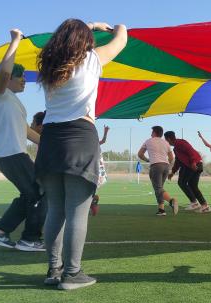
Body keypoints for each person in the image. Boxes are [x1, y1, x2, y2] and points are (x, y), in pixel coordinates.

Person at [35, 19, 127, 290]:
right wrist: (113, 26)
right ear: (85, 40)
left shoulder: (50, 66)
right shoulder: (91, 59)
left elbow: (62, 38)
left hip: (50, 140)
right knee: (77, 213)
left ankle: (54, 270)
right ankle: (72, 274)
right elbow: (121, 39)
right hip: (79, 137)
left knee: (55, 210)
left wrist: (85, 25)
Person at [0, 29, 46, 252]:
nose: (24, 81)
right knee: (39, 192)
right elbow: (4, 73)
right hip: (10, 154)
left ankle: (0, 231)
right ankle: (30, 238)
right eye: (20, 76)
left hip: (14, 154)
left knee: (30, 193)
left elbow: (27, 131)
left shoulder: (15, 103)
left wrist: (49, 143)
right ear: (8, 78)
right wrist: (15, 42)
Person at [165, 131, 210, 213]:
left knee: (182, 182)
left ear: (168, 139)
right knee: (193, 185)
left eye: (166, 140)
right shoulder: (176, 148)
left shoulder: (180, 143)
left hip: (194, 164)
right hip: (197, 164)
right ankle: (205, 206)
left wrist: (193, 162)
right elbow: (178, 161)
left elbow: (190, 151)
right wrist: (173, 172)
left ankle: (194, 202)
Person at [138, 126, 179, 216]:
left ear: (155, 133)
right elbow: (171, 158)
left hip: (156, 166)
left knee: (158, 188)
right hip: (166, 166)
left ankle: (171, 201)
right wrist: (167, 165)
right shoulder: (166, 143)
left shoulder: (148, 141)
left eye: (152, 132)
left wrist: (148, 160)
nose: (151, 134)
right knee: (159, 188)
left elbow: (140, 154)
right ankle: (161, 210)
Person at [90, 125, 110, 216]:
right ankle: (93, 200)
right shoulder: (94, 143)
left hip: (94, 169)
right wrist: (105, 132)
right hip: (96, 170)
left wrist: (105, 132)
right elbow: (103, 141)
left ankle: (92, 201)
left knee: (90, 188)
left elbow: (103, 141)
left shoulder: (92, 143)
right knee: (91, 188)